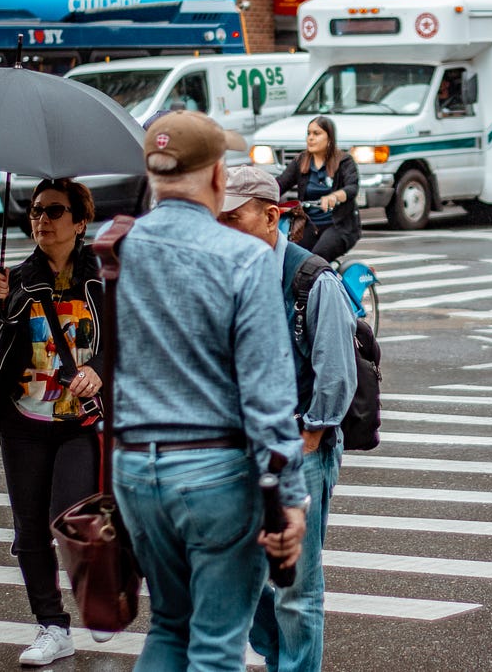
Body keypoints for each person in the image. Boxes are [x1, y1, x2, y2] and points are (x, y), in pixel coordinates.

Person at [111, 111, 308, 672]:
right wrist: (290, 498)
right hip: (214, 472)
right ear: (219, 176)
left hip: (136, 469)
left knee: (170, 627)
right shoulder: (243, 258)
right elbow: (268, 395)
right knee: (218, 642)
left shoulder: (121, 250)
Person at [217, 167, 357, 672]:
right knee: (248, 580)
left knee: (295, 586)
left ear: (271, 215)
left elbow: (337, 372)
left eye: (233, 218)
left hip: (300, 448)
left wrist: (311, 435)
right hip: (238, 450)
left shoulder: (310, 278)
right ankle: (279, 661)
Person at [0, 178, 104, 667]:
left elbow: (132, 341)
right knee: (29, 531)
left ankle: (100, 592)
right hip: (25, 421)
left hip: (78, 424)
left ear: (80, 221)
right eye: (34, 211)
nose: (41, 220)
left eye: (53, 211)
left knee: (68, 514)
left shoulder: (102, 278)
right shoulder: (17, 279)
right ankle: (52, 627)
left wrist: (97, 370)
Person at [275, 116, 361, 262]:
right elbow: (280, 184)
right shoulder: (301, 161)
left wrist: (335, 196)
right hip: (309, 225)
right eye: (308, 133)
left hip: (338, 226)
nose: (310, 138)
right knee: (291, 256)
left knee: (318, 257)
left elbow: (352, 188)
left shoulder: (344, 161)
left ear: (330, 137)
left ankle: (329, 283)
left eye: (316, 133)